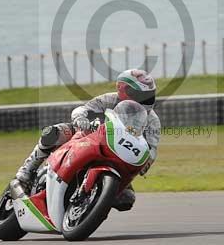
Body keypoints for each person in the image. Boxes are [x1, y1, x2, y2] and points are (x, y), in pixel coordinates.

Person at [14, 69, 161, 211]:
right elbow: (84, 109)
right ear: (123, 90)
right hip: (90, 137)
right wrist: (81, 118)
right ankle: (27, 170)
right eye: (139, 94)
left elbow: (151, 149)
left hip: (118, 158)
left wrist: (145, 162)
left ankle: (90, 203)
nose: (144, 99)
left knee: (126, 199)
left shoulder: (152, 120)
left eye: (148, 95)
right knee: (53, 133)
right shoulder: (109, 99)